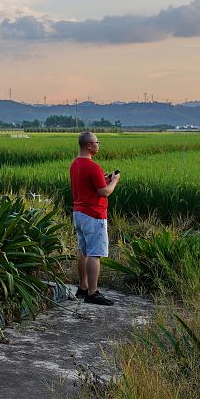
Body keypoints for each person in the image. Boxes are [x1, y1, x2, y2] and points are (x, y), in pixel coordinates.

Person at [70, 131, 120, 306]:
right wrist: (113, 181)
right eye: (97, 142)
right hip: (93, 214)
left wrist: (103, 179)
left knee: (83, 251)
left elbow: (89, 186)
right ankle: (93, 292)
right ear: (89, 146)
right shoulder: (93, 167)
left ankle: (83, 287)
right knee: (94, 253)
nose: (99, 144)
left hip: (79, 212)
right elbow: (103, 192)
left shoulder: (75, 165)